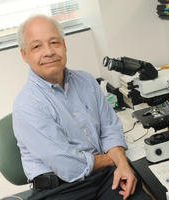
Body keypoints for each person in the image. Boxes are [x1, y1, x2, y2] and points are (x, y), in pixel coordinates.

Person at [13, 15, 153, 200]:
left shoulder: (86, 81)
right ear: (25, 55)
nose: (49, 52)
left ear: (64, 45)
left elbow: (110, 127)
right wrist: (116, 159)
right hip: (60, 190)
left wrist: (123, 166)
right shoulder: (27, 105)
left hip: (104, 178)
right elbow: (69, 166)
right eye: (37, 46)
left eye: (54, 42)